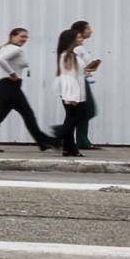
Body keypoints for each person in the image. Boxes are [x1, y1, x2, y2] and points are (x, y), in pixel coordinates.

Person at [0, 27, 51, 151]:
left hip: (4, 87)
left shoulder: (2, 49)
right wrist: (12, 73)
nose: (24, 39)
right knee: (26, 115)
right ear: (12, 37)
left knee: (18, 115)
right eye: (22, 36)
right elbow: (0, 60)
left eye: (26, 37)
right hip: (10, 87)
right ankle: (45, 142)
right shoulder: (15, 49)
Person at [52, 21, 101, 157]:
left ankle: (69, 148)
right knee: (79, 116)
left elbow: (78, 72)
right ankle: (57, 139)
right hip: (73, 92)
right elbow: (69, 77)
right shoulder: (67, 56)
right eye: (78, 37)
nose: (81, 39)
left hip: (77, 90)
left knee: (72, 118)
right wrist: (72, 97)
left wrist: (89, 69)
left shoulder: (71, 55)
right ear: (72, 40)